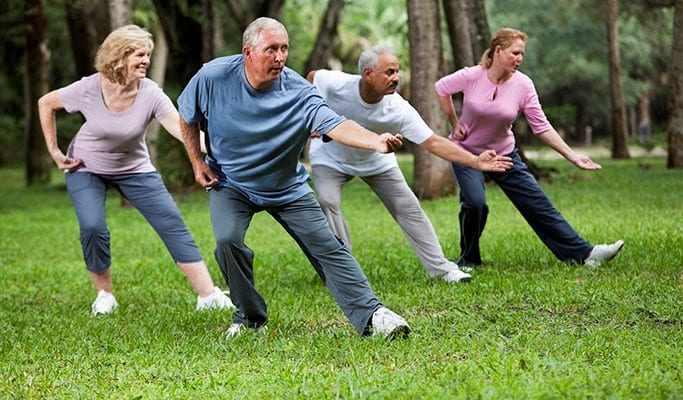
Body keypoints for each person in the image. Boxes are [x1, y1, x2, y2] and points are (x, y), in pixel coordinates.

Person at [177, 17, 410, 339]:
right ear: (248, 52)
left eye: (284, 48)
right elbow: (186, 116)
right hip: (231, 182)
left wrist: (375, 141)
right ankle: (249, 317)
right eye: (271, 49)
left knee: (329, 247)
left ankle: (373, 316)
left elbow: (334, 122)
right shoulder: (213, 77)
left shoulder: (298, 90)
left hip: (286, 187)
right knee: (227, 241)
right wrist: (196, 161)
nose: (280, 57)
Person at [38, 25, 234, 315]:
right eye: (139, 55)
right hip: (86, 166)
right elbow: (46, 103)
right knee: (93, 227)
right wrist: (54, 151)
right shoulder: (89, 87)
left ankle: (208, 294)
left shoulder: (151, 93)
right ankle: (104, 294)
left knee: (171, 223)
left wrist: (223, 147)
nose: (146, 61)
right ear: (119, 56)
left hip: (134, 167)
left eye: (148, 55)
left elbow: (181, 130)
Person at [306, 45, 513, 283]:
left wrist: (475, 160)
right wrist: (312, 115)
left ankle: (442, 269)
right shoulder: (338, 84)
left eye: (397, 72)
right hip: (330, 157)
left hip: (376, 159)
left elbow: (434, 143)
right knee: (327, 201)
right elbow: (312, 77)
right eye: (389, 72)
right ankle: (343, 270)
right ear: (368, 73)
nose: (396, 78)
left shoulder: (398, 109)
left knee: (410, 208)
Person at [434, 28, 624, 269]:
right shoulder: (472, 76)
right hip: (467, 153)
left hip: (504, 153)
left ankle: (586, 255)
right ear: (498, 51)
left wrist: (573, 156)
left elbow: (541, 126)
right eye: (515, 53)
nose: (519, 59)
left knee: (538, 204)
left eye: (522, 54)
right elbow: (441, 88)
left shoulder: (523, 84)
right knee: (475, 203)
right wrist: (454, 122)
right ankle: (469, 259)